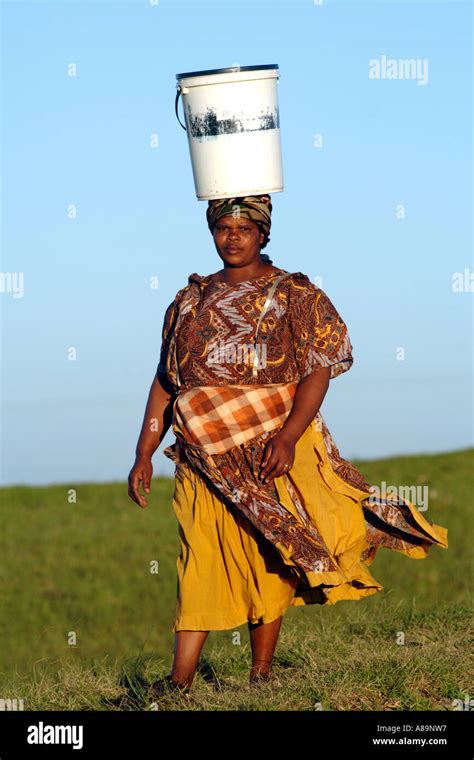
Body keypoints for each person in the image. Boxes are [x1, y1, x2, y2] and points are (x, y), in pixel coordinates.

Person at [128, 194, 448, 698]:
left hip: (265, 451)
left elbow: (317, 368)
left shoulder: (293, 293)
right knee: (199, 558)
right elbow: (166, 381)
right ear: (211, 231)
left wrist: (289, 437)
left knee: (270, 556)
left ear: (263, 233)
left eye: (244, 228)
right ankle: (178, 684)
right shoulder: (188, 301)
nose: (232, 237)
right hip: (200, 455)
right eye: (223, 227)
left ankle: (261, 676)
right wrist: (143, 452)